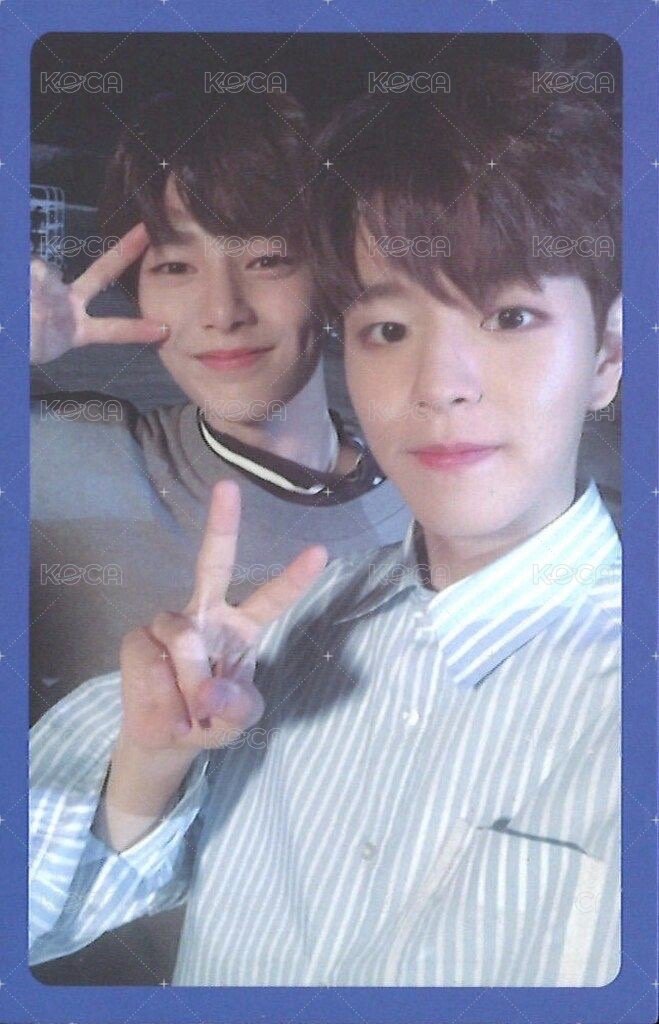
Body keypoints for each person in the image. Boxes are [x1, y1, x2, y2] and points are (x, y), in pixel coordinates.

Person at [30, 64, 622, 986]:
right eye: (388, 330)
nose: (440, 385)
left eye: (510, 316)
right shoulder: (260, 632)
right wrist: (149, 759)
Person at [29, 87, 410, 983]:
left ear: (333, 275)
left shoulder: (433, 497)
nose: (221, 309)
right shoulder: (71, 454)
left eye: (268, 258)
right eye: (174, 264)